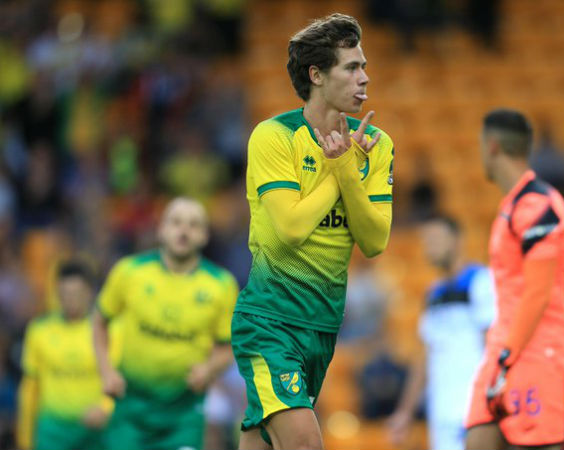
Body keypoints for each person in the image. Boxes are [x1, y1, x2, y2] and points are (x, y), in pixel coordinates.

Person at [231, 13, 395, 450]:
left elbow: (374, 241)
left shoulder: (377, 144)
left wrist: (348, 168)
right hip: (270, 321)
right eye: (352, 67)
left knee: (265, 442)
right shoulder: (274, 137)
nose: (365, 78)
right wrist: (343, 167)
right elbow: (290, 228)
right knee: (305, 442)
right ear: (317, 75)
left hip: (322, 326)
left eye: (364, 67)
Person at [464, 109, 564, 449]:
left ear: (492, 146)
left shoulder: (538, 207)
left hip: (537, 350)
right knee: (477, 438)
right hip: (504, 349)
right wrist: (501, 355)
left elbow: (538, 294)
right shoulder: (513, 206)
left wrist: (508, 356)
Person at [92, 197, 238, 450]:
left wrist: (209, 369)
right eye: (176, 222)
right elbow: (99, 321)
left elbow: (228, 347)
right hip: (131, 410)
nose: (184, 231)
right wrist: (106, 371)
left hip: (184, 415)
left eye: (193, 225)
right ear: (161, 229)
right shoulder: (129, 272)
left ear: (204, 236)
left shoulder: (222, 285)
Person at [387, 215, 495, 450]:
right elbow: (425, 355)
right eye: (426, 241)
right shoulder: (433, 294)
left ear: (457, 240)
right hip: (442, 412)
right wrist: (405, 412)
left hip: (474, 408)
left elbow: (493, 345)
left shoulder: (481, 281)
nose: (430, 247)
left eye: (436, 239)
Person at [17, 260, 113, 450]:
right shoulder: (39, 331)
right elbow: (30, 387)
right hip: (52, 431)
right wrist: (25, 437)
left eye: (77, 293)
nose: (71, 300)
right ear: (57, 294)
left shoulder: (107, 331)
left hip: (93, 431)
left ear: (90, 293)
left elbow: (118, 379)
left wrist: (106, 408)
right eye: (65, 294)